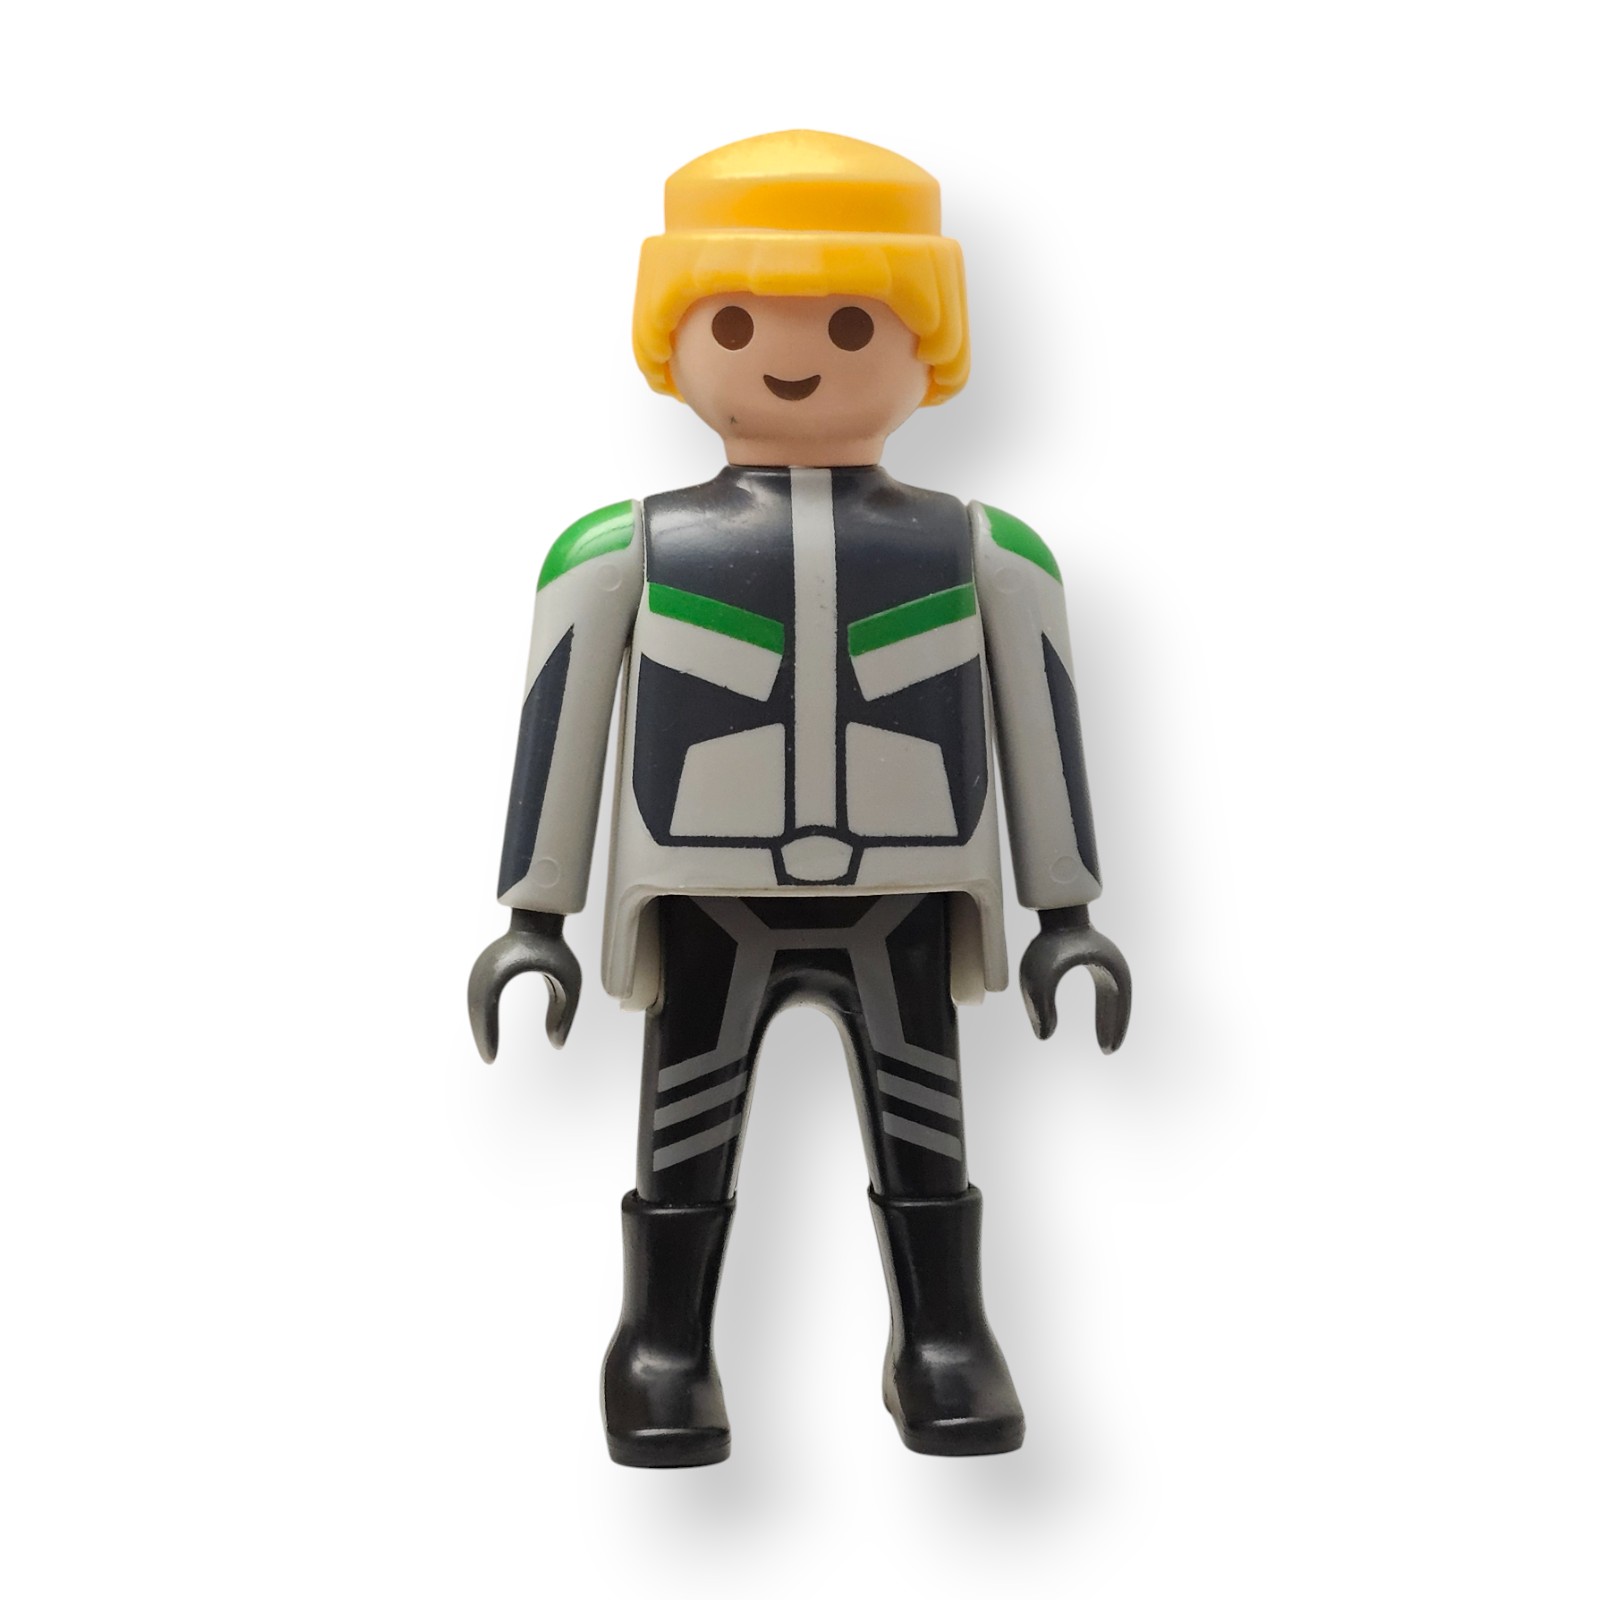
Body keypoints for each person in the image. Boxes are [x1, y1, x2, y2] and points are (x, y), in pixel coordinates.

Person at [468, 129, 1131, 1467]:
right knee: (685, 1130)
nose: (792, 357)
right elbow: (562, 728)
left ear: (927, 343)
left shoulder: (986, 551)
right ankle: (662, 1348)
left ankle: (944, 1337)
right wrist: (533, 916)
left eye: (849, 323)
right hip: (705, 896)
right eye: (733, 320)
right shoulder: (621, 550)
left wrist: (1067, 912)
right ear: (672, 339)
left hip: (906, 896)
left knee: (925, 1126)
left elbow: (1043, 726)